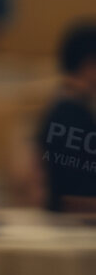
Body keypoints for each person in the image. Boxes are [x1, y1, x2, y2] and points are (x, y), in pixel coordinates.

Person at [37, 22, 96, 214]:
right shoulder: (73, 117)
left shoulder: (56, 110)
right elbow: (74, 198)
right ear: (89, 65)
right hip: (73, 231)